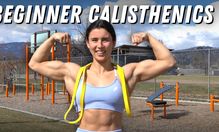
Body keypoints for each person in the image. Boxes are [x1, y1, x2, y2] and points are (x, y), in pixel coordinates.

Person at [29, 19, 176, 132]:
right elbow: (34, 63)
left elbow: (168, 62)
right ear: (87, 43)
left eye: (105, 40)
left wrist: (148, 37)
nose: (99, 45)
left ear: (113, 42)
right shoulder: (74, 73)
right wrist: (52, 38)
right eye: (94, 40)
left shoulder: (126, 74)